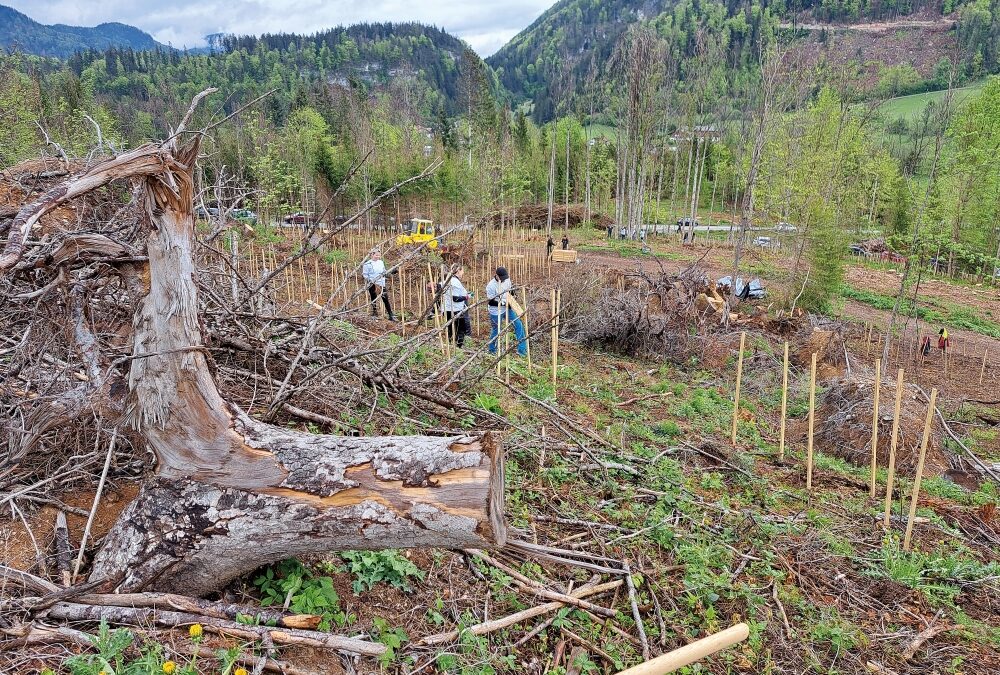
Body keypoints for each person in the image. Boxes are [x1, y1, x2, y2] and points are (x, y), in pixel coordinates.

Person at [486, 266, 527, 356]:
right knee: (496, 330)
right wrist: (504, 304)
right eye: (502, 278)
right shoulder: (491, 286)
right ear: (496, 275)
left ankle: (522, 351)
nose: (504, 280)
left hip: (507, 309)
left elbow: (510, 291)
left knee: (518, 325)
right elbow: (491, 302)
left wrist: (513, 295)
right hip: (495, 311)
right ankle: (492, 350)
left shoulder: (507, 280)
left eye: (505, 278)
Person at [442, 264, 472, 348]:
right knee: (460, 330)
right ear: (458, 271)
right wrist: (466, 297)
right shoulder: (454, 282)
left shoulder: (448, 280)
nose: (463, 273)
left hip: (447, 309)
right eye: (462, 271)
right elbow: (455, 298)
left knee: (450, 329)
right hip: (455, 310)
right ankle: (458, 348)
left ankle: (450, 347)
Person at [362, 248, 396, 321]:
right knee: (373, 298)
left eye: (379, 255)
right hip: (372, 284)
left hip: (381, 283)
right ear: (372, 255)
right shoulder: (367, 264)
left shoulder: (381, 262)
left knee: (385, 298)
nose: (378, 257)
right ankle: (374, 312)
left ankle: (391, 315)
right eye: (376, 255)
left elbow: (384, 272)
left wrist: (391, 272)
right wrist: (371, 281)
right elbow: (365, 275)